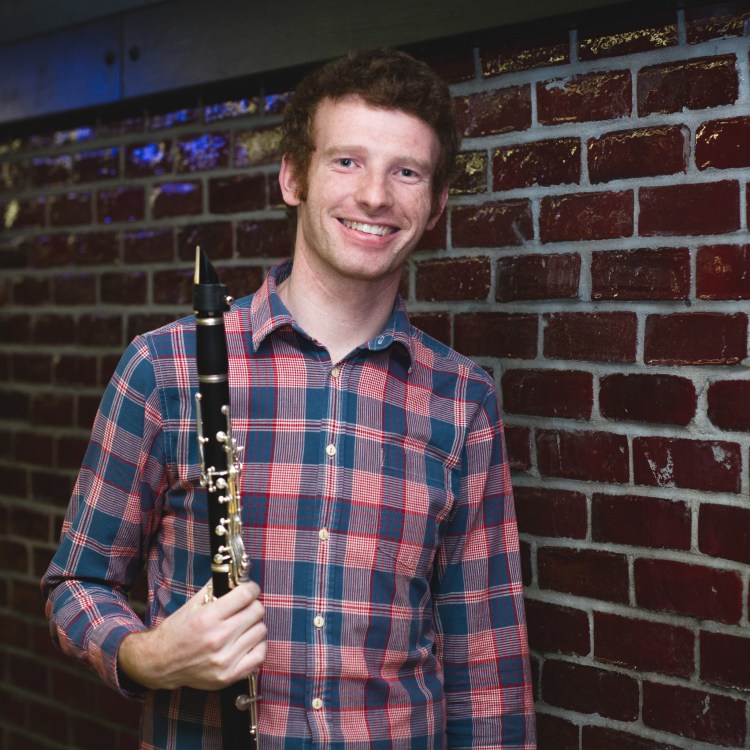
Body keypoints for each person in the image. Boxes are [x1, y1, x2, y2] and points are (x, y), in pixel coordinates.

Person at [42, 48, 536, 749]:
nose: (375, 196)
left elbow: (487, 666)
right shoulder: (165, 368)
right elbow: (76, 583)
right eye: (347, 161)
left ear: (436, 205)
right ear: (292, 177)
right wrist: (146, 656)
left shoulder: (464, 399)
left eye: (407, 172)